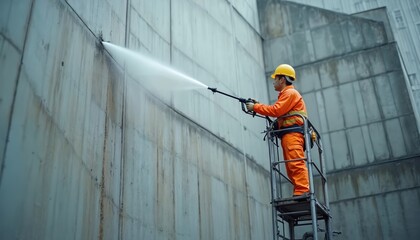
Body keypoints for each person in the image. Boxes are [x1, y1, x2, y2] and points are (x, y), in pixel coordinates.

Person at [246, 64, 309, 197]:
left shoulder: (290, 93)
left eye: (275, 78)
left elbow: (276, 110)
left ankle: (302, 192)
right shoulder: (286, 95)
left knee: (295, 164)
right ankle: (300, 192)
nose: (273, 81)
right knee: (291, 166)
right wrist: (258, 105)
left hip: (293, 134)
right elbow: (280, 112)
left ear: (282, 79)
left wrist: (255, 107)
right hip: (289, 135)